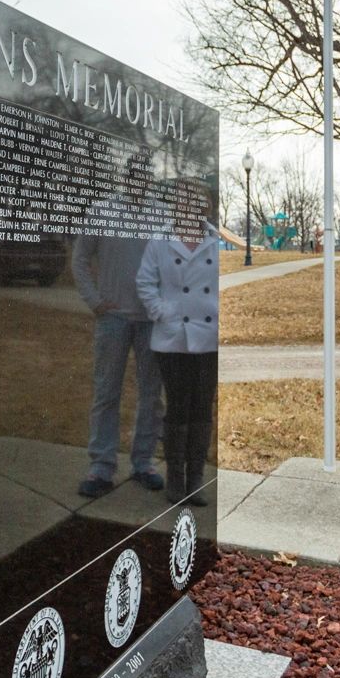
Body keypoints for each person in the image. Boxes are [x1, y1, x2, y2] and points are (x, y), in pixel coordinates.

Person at [72, 156, 167, 497]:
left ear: (151, 178)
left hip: (151, 321)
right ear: (126, 177)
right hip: (112, 318)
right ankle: (101, 467)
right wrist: (94, 300)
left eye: (145, 175)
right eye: (134, 175)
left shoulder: (163, 214)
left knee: (151, 395)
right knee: (106, 392)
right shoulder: (102, 210)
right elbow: (80, 258)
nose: (140, 180)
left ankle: (143, 462)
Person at [135, 178, 219, 505]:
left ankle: (196, 477)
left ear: (206, 206)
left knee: (202, 407)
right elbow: (145, 282)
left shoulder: (217, 241)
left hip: (210, 337)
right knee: (178, 407)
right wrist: (162, 311)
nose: (191, 205)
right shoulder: (160, 241)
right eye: (184, 200)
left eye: (197, 200)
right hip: (173, 338)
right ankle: (175, 477)